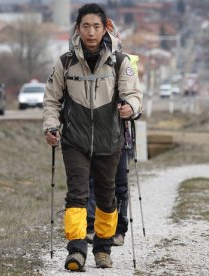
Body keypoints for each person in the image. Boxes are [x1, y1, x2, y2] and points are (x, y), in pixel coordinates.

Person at [43, 3, 142, 271]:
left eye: (96, 26)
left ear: (104, 28)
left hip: (109, 140)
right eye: (85, 26)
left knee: (107, 195)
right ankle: (76, 250)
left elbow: (134, 94)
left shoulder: (119, 61)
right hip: (75, 140)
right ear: (78, 29)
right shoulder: (64, 63)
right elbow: (52, 101)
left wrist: (130, 107)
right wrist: (51, 127)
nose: (91, 32)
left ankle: (103, 249)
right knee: (76, 193)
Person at [86, 123, 133, 247]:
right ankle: (91, 225)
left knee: (120, 186)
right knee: (93, 182)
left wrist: (130, 109)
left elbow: (137, 105)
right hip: (97, 138)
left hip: (121, 139)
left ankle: (119, 230)